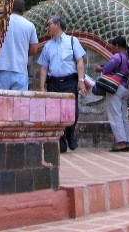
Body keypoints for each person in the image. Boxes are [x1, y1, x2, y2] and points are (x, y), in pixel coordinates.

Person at [38, 15, 87, 153]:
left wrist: (81, 81)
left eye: (49, 24)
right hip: (53, 82)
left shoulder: (72, 41)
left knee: (72, 111)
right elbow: (43, 68)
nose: (48, 27)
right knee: (55, 112)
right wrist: (42, 88)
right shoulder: (47, 46)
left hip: (70, 81)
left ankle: (70, 134)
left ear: (58, 24)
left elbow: (80, 61)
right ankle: (61, 140)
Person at [0, 0, 40, 91]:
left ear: (9, 6)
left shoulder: (0, 22)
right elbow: (34, 49)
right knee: (19, 104)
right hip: (20, 70)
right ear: (23, 10)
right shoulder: (29, 25)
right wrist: (22, 52)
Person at [96, 36, 129, 152]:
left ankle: (120, 142)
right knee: (124, 115)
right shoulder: (128, 58)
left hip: (116, 87)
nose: (112, 48)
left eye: (113, 45)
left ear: (117, 46)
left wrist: (100, 68)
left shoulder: (117, 57)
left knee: (115, 115)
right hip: (125, 88)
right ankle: (126, 141)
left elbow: (107, 68)